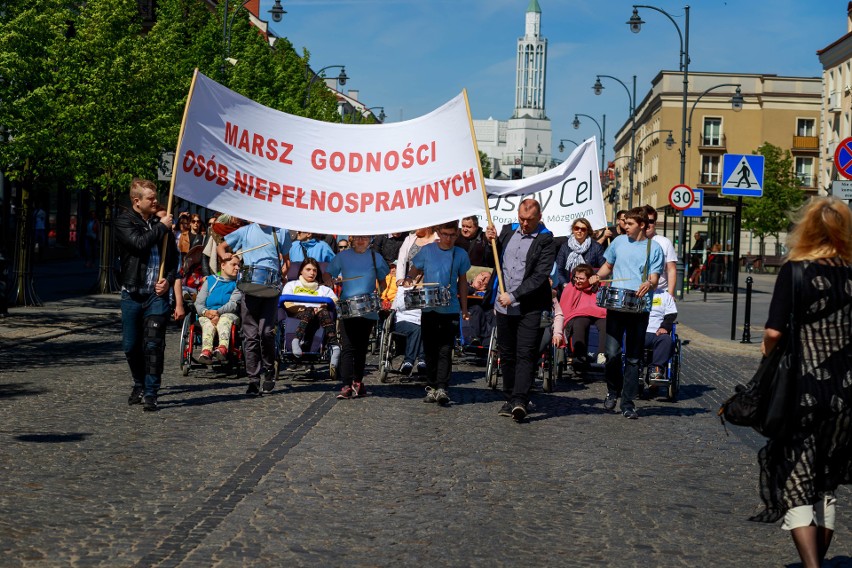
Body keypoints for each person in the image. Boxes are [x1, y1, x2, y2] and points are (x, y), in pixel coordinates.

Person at [751, 197, 852, 567]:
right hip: (846, 396)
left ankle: (812, 566)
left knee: (797, 481)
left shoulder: (796, 271)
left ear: (805, 228)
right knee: (826, 483)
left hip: (803, 393)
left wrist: (766, 353)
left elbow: (774, 331)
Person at [588, 206, 664, 420]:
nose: (625, 226)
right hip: (616, 305)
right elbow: (607, 267)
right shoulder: (619, 242)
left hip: (639, 307)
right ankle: (613, 390)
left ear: (641, 225)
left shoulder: (653, 248)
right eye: (624, 223)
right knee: (611, 353)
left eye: (629, 224)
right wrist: (597, 277)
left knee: (633, 358)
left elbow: (655, 278)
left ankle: (628, 403)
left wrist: (649, 284)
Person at [484, 198, 556, 421]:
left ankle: (520, 400)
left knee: (525, 353)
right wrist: (490, 243)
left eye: (530, 220)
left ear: (539, 218)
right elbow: (492, 261)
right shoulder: (507, 232)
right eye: (522, 219)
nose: (524, 224)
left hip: (529, 305)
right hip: (503, 305)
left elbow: (540, 275)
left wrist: (514, 295)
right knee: (507, 354)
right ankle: (509, 397)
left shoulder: (546, 240)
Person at [114, 178, 176, 412]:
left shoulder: (161, 226)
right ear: (136, 201)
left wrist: (168, 281)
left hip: (155, 296)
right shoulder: (124, 222)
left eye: (155, 196)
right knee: (131, 346)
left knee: (153, 343)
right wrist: (162, 226)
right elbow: (139, 244)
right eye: (150, 198)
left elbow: (172, 261)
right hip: (132, 293)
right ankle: (139, 383)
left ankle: (151, 392)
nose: (155, 201)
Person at [401, 220, 471, 406]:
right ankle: (431, 386)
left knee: (446, 349)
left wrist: (464, 308)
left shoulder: (460, 254)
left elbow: (463, 282)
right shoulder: (428, 250)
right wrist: (409, 279)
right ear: (438, 232)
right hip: (429, 307)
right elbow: (415, 269)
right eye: (445, 234)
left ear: (457, 234)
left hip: (450, 308)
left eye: (452, 235)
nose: (448, 239)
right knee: (430, 349)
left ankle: (442, 387)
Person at [218, 222, 291, 396]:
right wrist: (225, 256)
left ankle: (269, 370)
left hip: (270, 289)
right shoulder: (245, 231)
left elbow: (287, 260)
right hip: (249, 288)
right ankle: (253, 380)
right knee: (250, 336)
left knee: (266, 333)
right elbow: (222, 247)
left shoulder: (280, 231)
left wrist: (281, 274)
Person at [326, 235, 389, 399]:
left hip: (367, 308)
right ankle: (346, 385)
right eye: (358, 238)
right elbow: (328, 274)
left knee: (361, 347)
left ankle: (358, 382)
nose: (361, 241)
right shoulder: (342, 256)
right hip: (347, 308)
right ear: (351, 239)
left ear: (370, 240)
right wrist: (330, 284)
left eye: (365, 238)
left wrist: (380, 294)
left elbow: (383, 281)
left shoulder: (376, 257)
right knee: (347, 346)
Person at [281, 257, 340, 370]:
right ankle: (296, 340)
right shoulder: (291, 285)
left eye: (314, 270)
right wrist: (305, 308)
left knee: (323, 312)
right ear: (301, 271)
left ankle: (334, 344)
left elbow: (335, 301)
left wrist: (323, 306)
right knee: (309, 310)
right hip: (296, 314)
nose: (312, 273)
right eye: (308, 269)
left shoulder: (323, 289)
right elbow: (287, 304)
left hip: (319, 317)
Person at [195, 255, 243, 365]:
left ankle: (222, 348)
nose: (237, 268)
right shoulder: (210, 281)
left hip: (229, 314)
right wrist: (206, 313)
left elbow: (233, 304)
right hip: (208, 314)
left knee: (224, 320)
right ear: (223, 265)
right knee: (207, 324)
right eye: (233, 264)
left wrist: (218, 313)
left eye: (239, 265)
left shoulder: (238, 284)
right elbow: (199, 303)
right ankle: (206, 351)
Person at [558, 264, 607, 367]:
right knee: (579, 323)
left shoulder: (600, 285)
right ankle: (579, 356)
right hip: (580, 313)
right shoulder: (571, 287)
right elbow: (565, 307)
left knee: (605, 324)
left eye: (581, 278)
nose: (577, 281)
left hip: (599, 313)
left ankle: (602, 355)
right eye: (576, 277)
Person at [554, 217, 606, 289]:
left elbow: (603, 268)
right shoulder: (565, 246)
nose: (579, 231)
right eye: (576, 228)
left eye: (583, 229)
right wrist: (565, 284)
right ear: (573, 229)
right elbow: (559, 269)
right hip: (567, 287)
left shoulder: (596, 247)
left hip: (589, 289)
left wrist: (595, 278)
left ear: (588, 231)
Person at [643, 289, 677, 383]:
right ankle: (636, 368)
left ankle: (656, 369)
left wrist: (665, 327)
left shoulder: (664, 295)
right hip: (640, 330)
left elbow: (671, 314)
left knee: (666, 340)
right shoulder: (635, 292)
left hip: (658, 331)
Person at [643, 205, 678, 296]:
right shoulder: (632, 241)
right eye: (645, 221)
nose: (647, 224)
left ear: (655, 223)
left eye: (650, 221)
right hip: (637, 291)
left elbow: (671, 269)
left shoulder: (664, 242)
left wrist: (670, 294)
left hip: (659, 292)